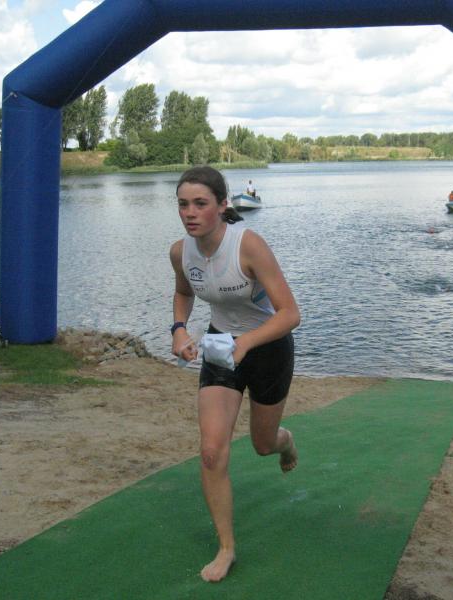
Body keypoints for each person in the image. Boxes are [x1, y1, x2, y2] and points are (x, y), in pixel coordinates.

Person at [169, 166, 301, 583]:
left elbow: (290, 314)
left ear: (222, 205)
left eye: (200, 204)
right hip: (220, 347)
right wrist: (178, 330)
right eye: (183, 205)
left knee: (263, 444)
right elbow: (183, 292)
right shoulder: (180, 252)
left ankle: (285, 442)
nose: (190, 213)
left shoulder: (248, 246)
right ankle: (226, 548)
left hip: (268, 348)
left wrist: (246, 343)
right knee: (211, 451)